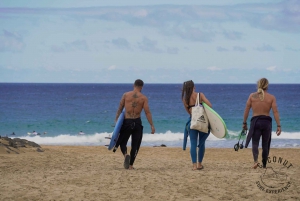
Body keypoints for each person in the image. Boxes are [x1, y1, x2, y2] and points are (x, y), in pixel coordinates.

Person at [114, 79, 155, 170]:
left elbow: (120, 108)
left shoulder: (125, 95)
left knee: (122, 142)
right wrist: (151, 125)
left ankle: (125, 154)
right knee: (135, 145)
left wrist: (116, 120)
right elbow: (147, 112)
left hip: (127, 122)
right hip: (137, 122)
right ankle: (131, 165)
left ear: (134, 85)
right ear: (142, 87)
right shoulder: (143, 98)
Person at [243, 78, 281, 169]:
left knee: (255, 143)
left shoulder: (252, 96)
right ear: (267, 86)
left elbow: (247, 110)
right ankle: (264, 165)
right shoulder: (271, 97)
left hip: (255, 122)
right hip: (266, 122)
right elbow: (275, 112)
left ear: (258, 85)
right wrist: (278, 125)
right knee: (265, 144)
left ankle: (256, 161)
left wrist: (244, 123)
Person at [181, 80, 212, 170]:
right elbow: (210, 105)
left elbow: (189, 113)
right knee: (201, 144)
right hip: (202, 121)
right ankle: (199, 164)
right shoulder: (200, 95)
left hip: (192, 122)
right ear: (194, 87)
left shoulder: (185, 99)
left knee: (193, 143)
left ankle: (194, 166)